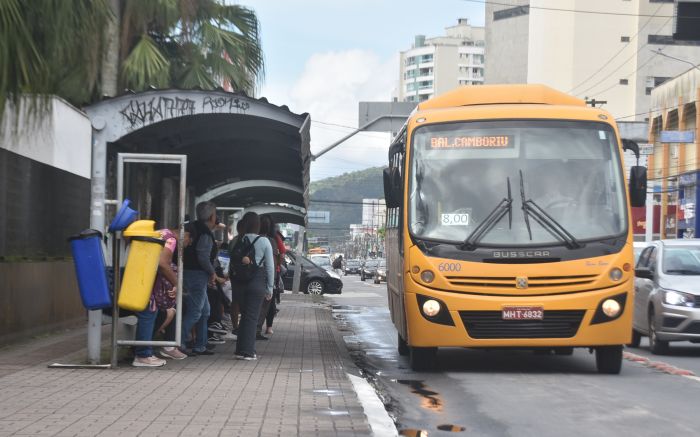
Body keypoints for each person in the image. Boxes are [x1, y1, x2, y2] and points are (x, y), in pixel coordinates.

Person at [233, 212, 275, 361]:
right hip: (256, 280)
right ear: (258, 225)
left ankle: (240, 350)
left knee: (244, 316)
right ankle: (248, 352)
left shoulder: (239, 239)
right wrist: (270, 287)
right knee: (252, 317)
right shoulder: (264, 241)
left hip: (239, 282)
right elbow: (270, 267)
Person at [180, 201, 218, 356]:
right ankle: (178, 343)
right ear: (211, 217)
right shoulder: (205, 233)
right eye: (215, 214)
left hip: (187, 271)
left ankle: (201, 344)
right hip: (197, 274)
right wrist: (212, 272)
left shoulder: (191, 227)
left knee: (205, 311)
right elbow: (203, 256)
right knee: (196, 311)